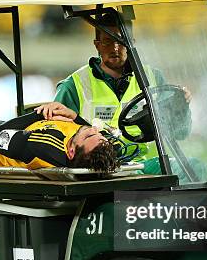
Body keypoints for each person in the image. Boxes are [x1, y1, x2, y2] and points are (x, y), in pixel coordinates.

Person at [54, 13, 193, 176]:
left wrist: (181, 108)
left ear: (131, 43)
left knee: (193, 167)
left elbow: (180, 132)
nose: (115, 48)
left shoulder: (152, 77)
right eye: (107, 41)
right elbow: (60, 138)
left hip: (141, 165)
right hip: (98, 169)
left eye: (121, 41)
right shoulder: (73, 86)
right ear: (97, 45)